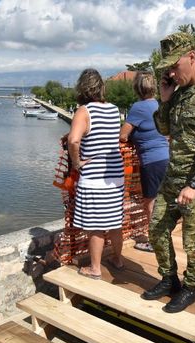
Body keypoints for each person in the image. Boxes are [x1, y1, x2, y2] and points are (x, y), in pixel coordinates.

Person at [142, 31, 195, 313]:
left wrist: (194, 184)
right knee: (156, 229)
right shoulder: (177, 94)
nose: (170, 72)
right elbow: (164, 129)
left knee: (193, 240)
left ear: (191, 57)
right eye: (166, 68)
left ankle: (190, 287)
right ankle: (169, 279)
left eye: (174, 65)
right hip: (171, 179)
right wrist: (165, 99)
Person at [65, 69, 125, 279]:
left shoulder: (84, 111)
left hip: (95, 177)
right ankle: (118, 259)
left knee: (96, 226)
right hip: (116, 174)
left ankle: (95, 268)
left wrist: (76, 162)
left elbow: (73, 140)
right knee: (115, 222)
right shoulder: (114, 109)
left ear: (82, 87)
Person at [119, 72, 170, 252]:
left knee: (149, 203)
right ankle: (163, 236)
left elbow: (123, 135)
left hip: (151, 161)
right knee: (162, 201)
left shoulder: (138, 107)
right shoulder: (160, 104)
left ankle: (154, 242)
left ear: (137, 88)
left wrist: (132, 137)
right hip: (166, 157)